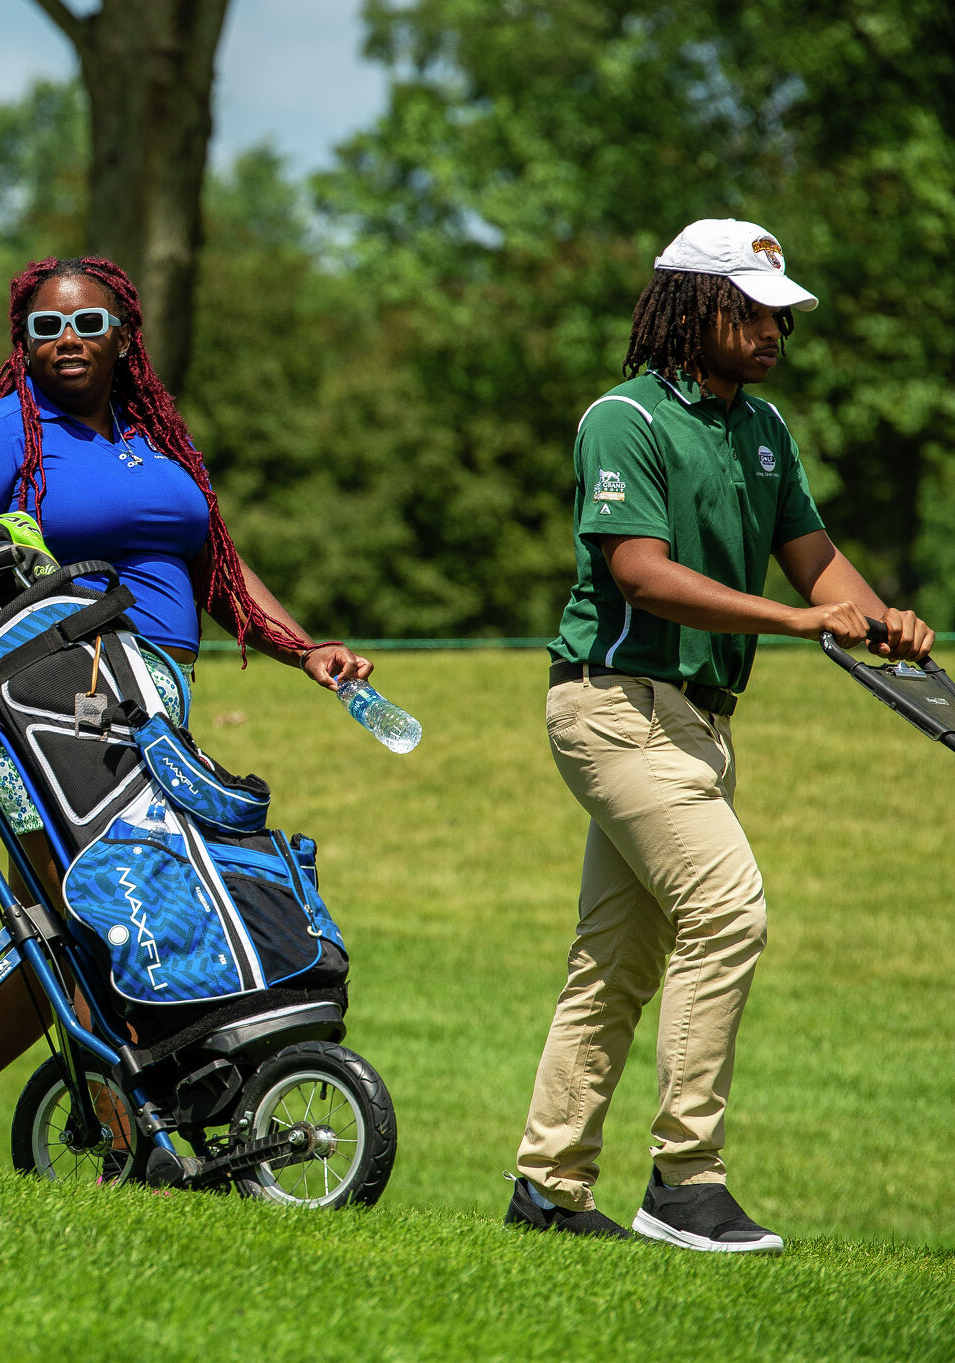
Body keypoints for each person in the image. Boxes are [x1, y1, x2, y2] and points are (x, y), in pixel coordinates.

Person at [0, 255, 374, 1165]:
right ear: (22, 341)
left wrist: (305, 646)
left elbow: (217, 576)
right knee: (94, 914)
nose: (68, 341)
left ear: (125, 336)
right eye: (46, 328)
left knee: (89, 920)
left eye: (88, 325)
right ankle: (136, 1155)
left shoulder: (153, 438)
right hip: (40, 710)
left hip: (151, 714)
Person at [507, 219, 933, 1248]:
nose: (769, 329)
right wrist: (796, 622)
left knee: (613, 958)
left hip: (692, 720)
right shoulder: (623, 418)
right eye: (746, 310)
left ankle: (545, 1188)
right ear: (687, 305)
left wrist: (882, 621)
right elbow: (639, 572)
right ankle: (684, 1181)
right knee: (727, 909)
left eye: (777, 313)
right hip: (612, 709)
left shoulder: (763, 430)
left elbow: (813, 558)